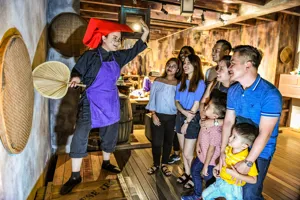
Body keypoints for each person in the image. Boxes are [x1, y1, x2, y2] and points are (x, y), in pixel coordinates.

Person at [59, 18, 149, 195]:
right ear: (103, 38)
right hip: (90, 101)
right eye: (114, 38)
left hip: (110, 101)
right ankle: (75, 175)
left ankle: (106, 162)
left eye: (119, 39)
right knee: (80, 135)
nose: (118, 42)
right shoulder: (90, 56)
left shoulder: (118, 56)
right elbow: (77, 71)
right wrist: (76, 77)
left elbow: (134, 51)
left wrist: (145, 33)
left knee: (110, 132)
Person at [220, 45, 282, 200]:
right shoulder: (234, 90)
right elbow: (228, 122)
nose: (230, 67)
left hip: (260, 151)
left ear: (248, 65)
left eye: (233, 63)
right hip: (236, 145)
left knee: (250, 193)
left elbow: (265, 133)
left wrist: (248, 163)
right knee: (233, 189)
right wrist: (222, 151)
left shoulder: (270, 94)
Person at [181, 90, 227, 200]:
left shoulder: (216, 130)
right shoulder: (205, 120)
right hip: (202, 156)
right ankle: (197, 194)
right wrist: (197, 146)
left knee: (208, 180)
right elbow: (201, 134)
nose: (205, 107)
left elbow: (212, 149)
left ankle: (207, 196)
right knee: (194, 171)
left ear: (215, 116)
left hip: (210, 161)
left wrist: (206, 165)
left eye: (208, 107)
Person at [202, 123, 259, 200]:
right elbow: (223, 161)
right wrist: (217, 167)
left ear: (244, 146)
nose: (229, 137)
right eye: (231, 134)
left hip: (233, 188)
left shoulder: (246, 159)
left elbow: (254, 180)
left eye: (234, 137)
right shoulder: (228, 148)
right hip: (220, 181)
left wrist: (237, 175)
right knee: (205, 195)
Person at [146, 57, 182, 176]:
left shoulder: (179, 84)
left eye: (173, 66)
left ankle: (164, 164)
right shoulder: (158, 81)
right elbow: (152, 99)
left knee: (168, 142)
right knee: (156, 142)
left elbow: (180, 102)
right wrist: (153, 114)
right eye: (168, 65)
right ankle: (156, 164)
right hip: (158, 116)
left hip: (172, 117)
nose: (170, 67)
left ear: (178, 70)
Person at [175, 54, 205, 189]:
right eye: (184, 63)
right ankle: (187, 173)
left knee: (188, 153)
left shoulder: (200, 83)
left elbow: (197, 104)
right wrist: (183, 112)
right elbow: (176, 102)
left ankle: (194, 176)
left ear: (195, 65)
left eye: (188, 63)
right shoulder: (181, 82)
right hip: (180, 115)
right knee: (182, 150)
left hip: (192, 119)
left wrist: (187, 121)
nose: (185, 65)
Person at [169, 46, 196, 164]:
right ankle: (177, 154)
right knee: (177, 135)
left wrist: (187, 117)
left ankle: (189, 171)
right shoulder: (180, 72)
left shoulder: (196, 80)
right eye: (181, 53)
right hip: (178, 109)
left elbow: (196, 101)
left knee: (188, 148)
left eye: (186, 53)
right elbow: (177, 99)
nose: (183, 55)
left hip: (188, 113)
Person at [199, 55, 231, 128]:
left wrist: (215, 122)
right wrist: (203, 116)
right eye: (217, 67)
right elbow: (203, 102)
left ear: (231, 70)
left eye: (221, 68)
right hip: (208, 122)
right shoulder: (214, 83)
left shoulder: (237, 90)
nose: (217, 70)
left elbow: (236, 118)